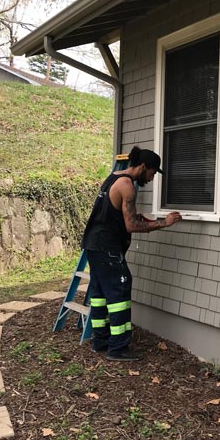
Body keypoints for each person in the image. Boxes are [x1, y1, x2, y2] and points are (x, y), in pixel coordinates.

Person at [81, 145, 182, 361]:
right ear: (143, 167)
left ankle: (100, 341)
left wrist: (147, 218)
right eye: (153, 172)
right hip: (107, 248)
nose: (152, 178)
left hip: (93, 244)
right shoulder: (127, 186)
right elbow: (131, 225)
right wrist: (164, 223)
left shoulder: (113, 177)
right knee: (119, 289)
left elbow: (120, 214)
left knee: (99, 294)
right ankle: (118, 348)